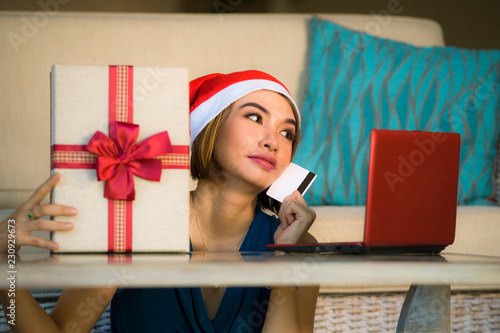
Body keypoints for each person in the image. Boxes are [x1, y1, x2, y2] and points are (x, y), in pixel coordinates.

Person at [0, 70, 319, 332]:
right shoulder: (133, 227)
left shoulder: (298, 245)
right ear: (209, 126)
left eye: (287, 133)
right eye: (254, 116)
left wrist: (284, 260)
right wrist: (5, 270)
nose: (273, 142)